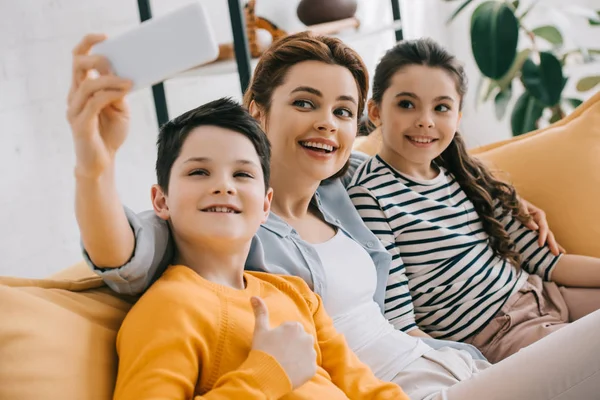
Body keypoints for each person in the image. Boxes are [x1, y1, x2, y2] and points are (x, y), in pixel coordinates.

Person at [67, 32, 600, 399]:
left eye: (342, 111)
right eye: (304, 103)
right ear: (258, 112)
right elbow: (127, 253)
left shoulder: (346, 186)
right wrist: (95, 164)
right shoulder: (231, 215)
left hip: (453, 363)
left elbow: (423, 145)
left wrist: (502, 197)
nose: (326, 122)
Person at [99, 97, 408, 398]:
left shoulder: (296, 294)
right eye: (199, 172)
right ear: (161, 201)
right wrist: (267, 373)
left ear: (265, 205)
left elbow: (366, 387)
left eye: (242, 174)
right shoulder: (169, 308)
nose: (224, 186)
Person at [348, 37, 600, 364]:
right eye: (407, 104)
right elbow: (399, 320)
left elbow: (547, 262)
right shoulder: (369, 193)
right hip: (499, 334)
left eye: (441, 107)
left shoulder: (464, 175)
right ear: (375, 112)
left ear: (457, 117)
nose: (425, 120)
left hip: (541, 294)